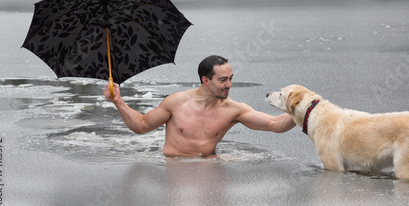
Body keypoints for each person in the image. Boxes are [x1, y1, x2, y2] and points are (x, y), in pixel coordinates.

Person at [104, 55, 296, 157]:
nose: (228, 85)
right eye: (222, 80)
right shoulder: (175, 102)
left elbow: (275, 124)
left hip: (208, 166)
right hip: (173, 166)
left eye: (230, 79)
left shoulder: (234, 109)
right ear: (205, 80)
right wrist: (118, 102)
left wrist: (303, 109)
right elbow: (141, 125)